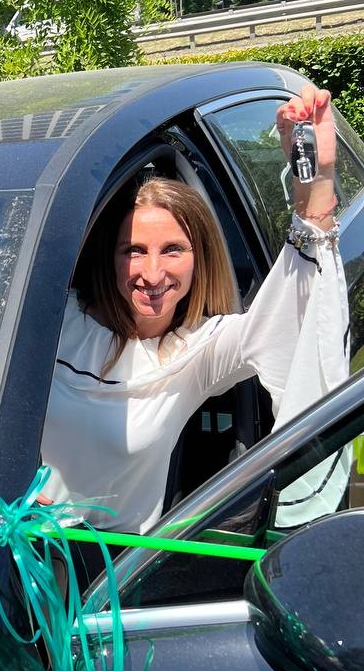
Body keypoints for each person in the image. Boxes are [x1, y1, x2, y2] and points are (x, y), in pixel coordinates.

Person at [40, 85, 348, 534]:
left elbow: (296, 313)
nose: (152, 273)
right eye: (134, 250)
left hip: (111, 566)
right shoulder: (54, 321)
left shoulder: (199, 351)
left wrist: (315, 187)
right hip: (6, 544)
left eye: (173, 250)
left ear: (198, 258)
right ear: (111, 257)